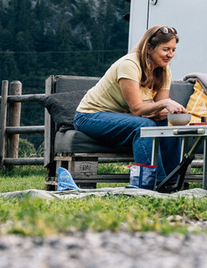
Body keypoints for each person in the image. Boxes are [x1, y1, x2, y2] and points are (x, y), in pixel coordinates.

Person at [73, 25, 186, 189]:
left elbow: (160, 112)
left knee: (169, 126)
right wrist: (165, 104)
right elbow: (137, 109)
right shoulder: (129, 65)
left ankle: (172, 183)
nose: (171, 55)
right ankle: (148, 185)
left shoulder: (163, 70)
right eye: (166, 49)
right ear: (149, 48)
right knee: (144, 126)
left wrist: (172, 113)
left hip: (125, 118)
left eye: (173, 50)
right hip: (90, 116)